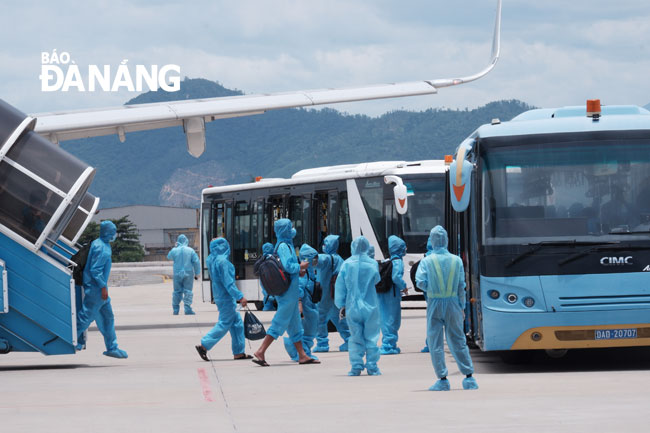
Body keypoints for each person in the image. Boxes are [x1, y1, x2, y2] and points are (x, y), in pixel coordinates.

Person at [416, 226, 478, 391]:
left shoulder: (427, 261)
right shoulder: (456, 260)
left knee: (435, 342)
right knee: (458, 340)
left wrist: (430, 290)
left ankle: (442, 379)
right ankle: (469, 377)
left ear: (432, 240)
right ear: (446, 240)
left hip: (435, 303)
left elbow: (420, 282)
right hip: (453, 304)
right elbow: (461, 286)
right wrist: (461, 306)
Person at [252, 219, 320, 366]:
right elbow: (289, 266)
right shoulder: (283, 246)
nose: (292, 229)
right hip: (288, 292)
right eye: (290, 227)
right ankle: (260, 351)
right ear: (285, 230)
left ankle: (302, 355)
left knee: (295, 325)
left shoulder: (286, 245)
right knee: (279, 322)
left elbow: (287, 268)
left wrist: (300, 271)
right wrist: (300, 266)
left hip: (292, 291)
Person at [76, 220, 128, 359]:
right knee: (86, 317)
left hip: (98, 289)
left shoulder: (99, 243)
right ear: (109, 233)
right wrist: (103, 287)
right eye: (113, 232)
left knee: (108, 317)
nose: (115, 234)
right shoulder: (102, 249)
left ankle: (112, 347)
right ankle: (72, 340)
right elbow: (95, 270)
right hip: (96, 290)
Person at [195, 238, 251, 361]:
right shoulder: (223, 262)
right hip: (226, 297)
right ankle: (204, 345)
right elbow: (229, 283)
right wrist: (240, 297)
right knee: (225, 323)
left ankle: (239, 352)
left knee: (237, 324)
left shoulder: (211, 259)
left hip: (219, 296)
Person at [334, 236, 381, 376]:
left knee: (355, 336)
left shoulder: (347, 264)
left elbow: (340, 287)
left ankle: (356, 366)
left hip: (352, 305)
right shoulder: (373, 264)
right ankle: (372, 366)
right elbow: (376, 280)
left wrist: (341, 305)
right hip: (371, 304)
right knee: (372, 336)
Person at [313, 234, 350, 353]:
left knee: (320, 319)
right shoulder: (340, 259)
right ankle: (349, 340)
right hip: (336, 295)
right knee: (339, 319)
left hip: (324, 294)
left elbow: (312, 259)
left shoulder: (325, 258)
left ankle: (322, 343)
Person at [283, 243, 320, 361]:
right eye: (313, 258)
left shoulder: (309, 272)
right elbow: (298, 290)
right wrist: (300, 306)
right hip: (305, 309)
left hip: (310, 307)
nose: (315, 261)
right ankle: (301, 352)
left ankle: (302, 351)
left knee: (310, 329)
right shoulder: (302, 274)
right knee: (305, 330)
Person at [378, 235, 407, 355]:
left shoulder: (387, 261)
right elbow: (396, 277)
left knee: (384, 318)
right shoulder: (398, 262)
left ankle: (387, 343)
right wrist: (404, 286)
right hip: (392, 294)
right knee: (393, 319)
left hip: (383, 293)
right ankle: (389, 345)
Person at [167, 234, 200, 315]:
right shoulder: (191, 250)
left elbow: (169, 257)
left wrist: (175, 247)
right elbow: (196, 262)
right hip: (188, 272)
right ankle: (187, 308)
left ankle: (175, 309)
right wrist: (197, 273)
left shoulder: (174, 250)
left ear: (178, 241)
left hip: (177, 273)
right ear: (186, 241)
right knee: (188, 291)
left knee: (177, 291)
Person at [260, 242, 278, 311]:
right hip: (275, 288)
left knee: (267, 304)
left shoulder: (262, 259)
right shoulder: (275, 259)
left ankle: (267, 308)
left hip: (265, 288)